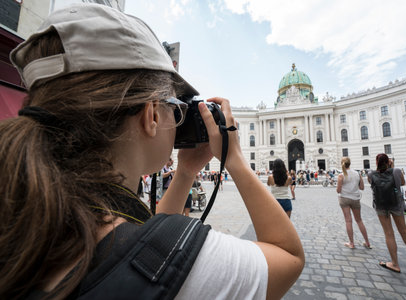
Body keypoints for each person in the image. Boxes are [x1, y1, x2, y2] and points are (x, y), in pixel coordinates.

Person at [1, 4, 304, 299]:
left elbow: (138, 234)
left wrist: (184, 173)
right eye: (176, 106)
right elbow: (289, 257)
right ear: (152, 116)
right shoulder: (181, 266)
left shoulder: (26, 210)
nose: (179, 119)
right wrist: (234, 161)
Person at [368, 154, 406, 273]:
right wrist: (392, 166)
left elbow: (371, 184)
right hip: (396, 204)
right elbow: (402, 183)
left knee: (389, 233)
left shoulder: (371, 174)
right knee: (404, 231)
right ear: (388, 161)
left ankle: (395, 264)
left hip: (381, 206)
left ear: (376, 163)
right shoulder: (396, 171)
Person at [336, 158, 371, 249]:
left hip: (344, 198)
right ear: (350, 163)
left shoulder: (341, 175)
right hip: (355, 199)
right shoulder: (357, 174)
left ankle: (351, 243)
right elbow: (362, 187)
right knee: (359, 220)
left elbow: (338, 190)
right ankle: (367, 242)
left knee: (348, 221)